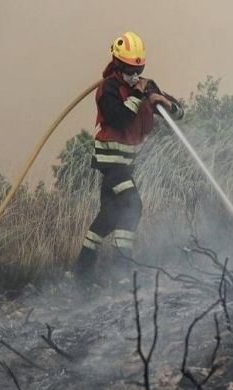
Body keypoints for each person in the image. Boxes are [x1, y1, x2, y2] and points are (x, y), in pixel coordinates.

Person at [74, 31, 184, 281]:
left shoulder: (146, 85)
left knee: (108, 216)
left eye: (138, 69)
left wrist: (164, 102)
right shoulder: (108, 89)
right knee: (132, 206)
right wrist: (137, 94)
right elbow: (121, 119)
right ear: (116, 64)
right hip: (111, 165)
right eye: (128, 69)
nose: (134, 75)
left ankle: (82, 271)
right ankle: (121, 271)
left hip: (126, 164)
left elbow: (179, 114)